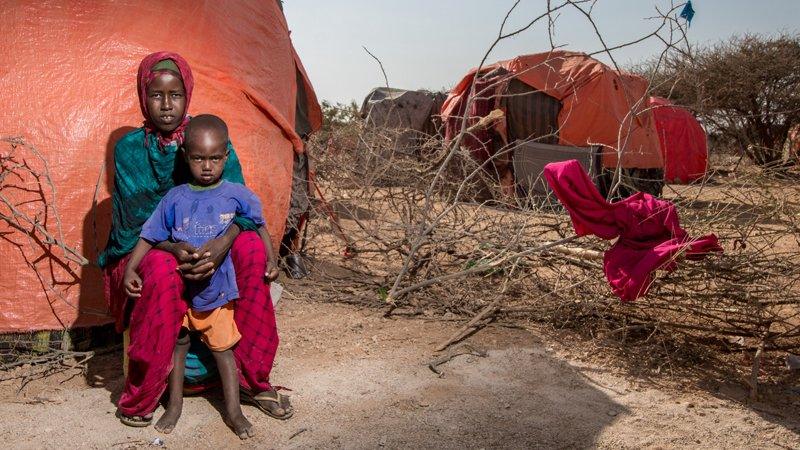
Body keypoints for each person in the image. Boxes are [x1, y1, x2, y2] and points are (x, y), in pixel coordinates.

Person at [99, 52, 293, 431]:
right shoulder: (128, 150)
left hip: (211, 244)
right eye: (157, 95)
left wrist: (223, 243)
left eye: (176, 95)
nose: (167, 105)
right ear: (143, 95)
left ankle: (254, 379)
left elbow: (241, 208)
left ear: (188, 95)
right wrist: (174, 247)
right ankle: (146, 392)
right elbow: (137, 228)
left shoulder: (209, 138)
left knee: (251, 248)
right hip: (153, 250)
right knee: (162, 269)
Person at [122, 115, 279, 438]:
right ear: (186, 157)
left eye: (214, 159)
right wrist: (131, 268)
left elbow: (258, 224)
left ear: (225, 157)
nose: (206, 166)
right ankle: (175, 406)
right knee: (178, 348)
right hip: (184, 292)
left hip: (218, 293)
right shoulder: (175, 198)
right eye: (198, 158)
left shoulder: (236, 194)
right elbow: (149, 235)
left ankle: (234, 412)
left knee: (224, 349)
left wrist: (272, 259)